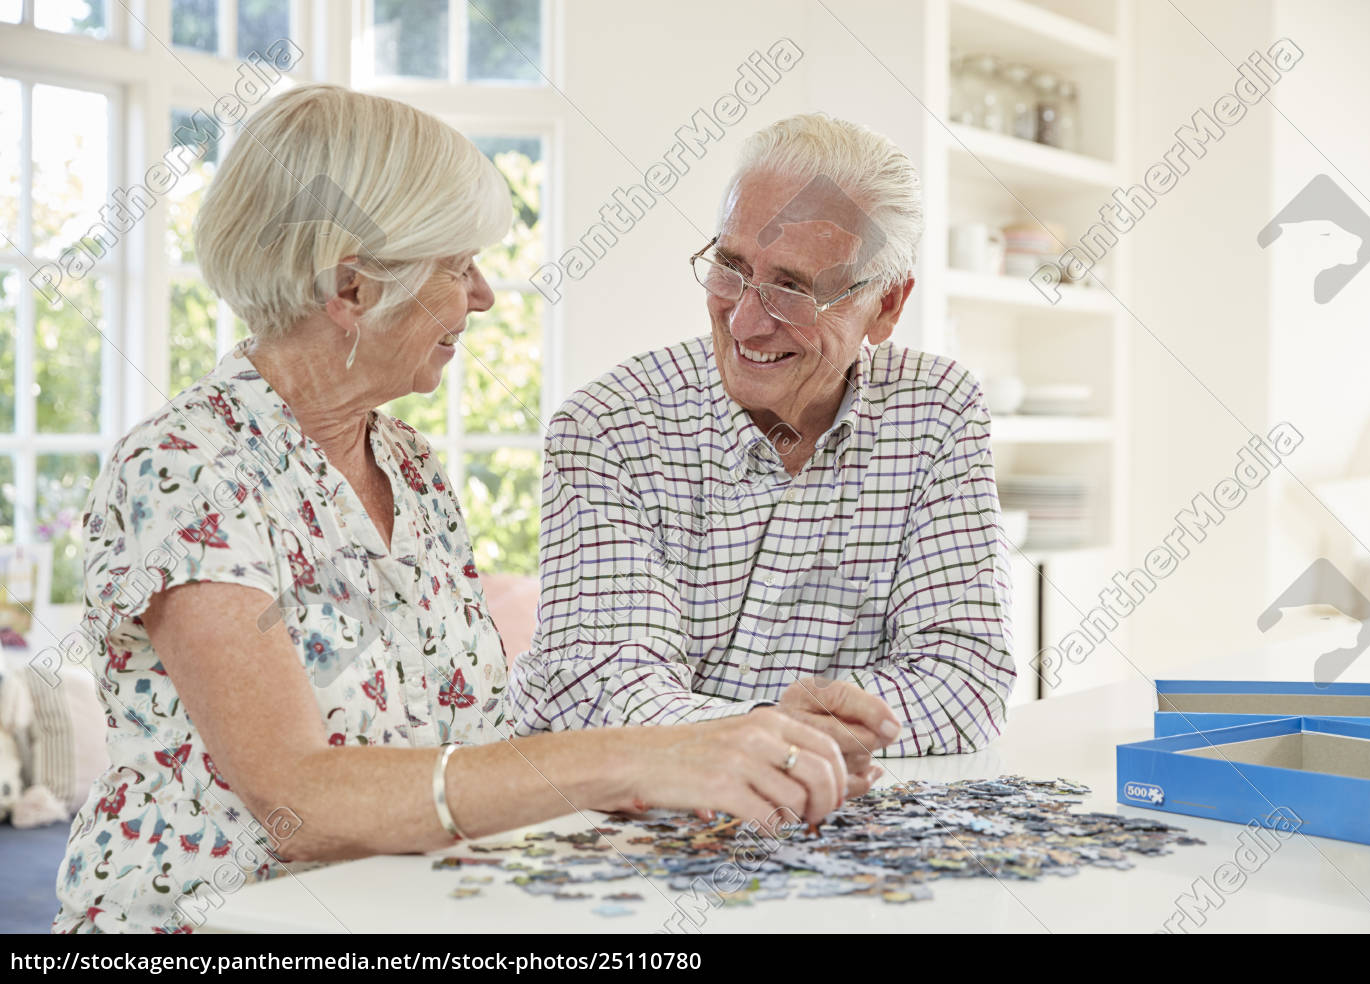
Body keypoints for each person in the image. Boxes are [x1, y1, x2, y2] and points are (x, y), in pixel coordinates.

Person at [52, 85, 864, 934]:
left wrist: (737, 730)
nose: (482, 296)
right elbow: (300, 798)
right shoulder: (186, 468)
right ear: (351, 289)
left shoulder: (410, 466)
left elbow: (466, 749)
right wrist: (640, 759)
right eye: (456, 265)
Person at [510, 114, 1015, 763]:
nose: (746, 322)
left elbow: (965, 678)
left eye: (793, 288)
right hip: (613, 822)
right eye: (730, 267)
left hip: (838, 830)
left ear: (886, 307)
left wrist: (766, 738)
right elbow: (605, 693)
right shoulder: (610, 427)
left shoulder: (937, 410)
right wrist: (788, 734)